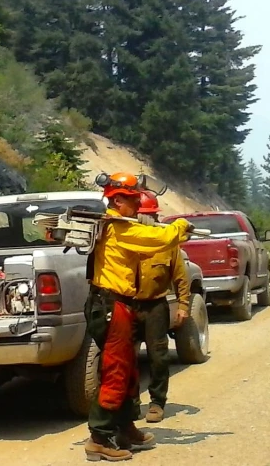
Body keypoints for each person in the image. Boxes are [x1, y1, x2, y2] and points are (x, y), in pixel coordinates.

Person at [84, 172, 193, 462]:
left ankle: (125, 428)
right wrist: (181, 226)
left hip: (114, 304)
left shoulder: (114, 225)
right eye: (132, 200)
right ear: (118, 200)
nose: (136, 205)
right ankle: (99, 437)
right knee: (117, 372)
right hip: (111, 304)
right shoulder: (119, 228)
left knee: (128, 370)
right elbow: (161, 238)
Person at [132, 191, 189, 423]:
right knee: (126, 358)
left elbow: (181, 277)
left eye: (150, 215)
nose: (148, 220)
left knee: (158, 357)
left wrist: (183, 304)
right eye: (144, 215)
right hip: (128, 305)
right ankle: (132, 404)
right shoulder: (125, 239)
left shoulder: (167, 242)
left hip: (155, 306)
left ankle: (157, 402)